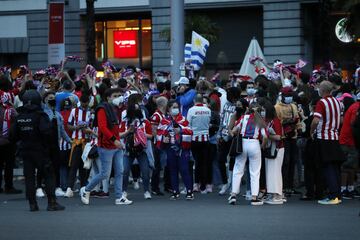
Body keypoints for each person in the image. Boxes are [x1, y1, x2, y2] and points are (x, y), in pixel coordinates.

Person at [10, 90, 65, 211]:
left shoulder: (20, 117)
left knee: (29, 177)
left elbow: (13, 135)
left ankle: (32, 204)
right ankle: (52, 203)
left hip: (25, 150)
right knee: (49, 175)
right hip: (40, 150)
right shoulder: (40, 116)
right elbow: (48, 132)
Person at [80, 88, 132, 205]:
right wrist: (115, 140)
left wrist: (119, 141)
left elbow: (115, 128)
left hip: (116, 146)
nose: (118, 97)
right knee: (105, 173)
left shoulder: (113, 109)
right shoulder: (102, 109)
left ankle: (119, 197)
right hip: (106, 146)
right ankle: (86, 189)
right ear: (108, 97)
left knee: (119, 172)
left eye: (119, 95)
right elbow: (103, 128)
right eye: (115, 95)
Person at [310, 81, 344, 205]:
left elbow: (315, 120)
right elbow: (341, 121)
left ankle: (333, 196)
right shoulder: (338, 102)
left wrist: (311, 131)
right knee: (335, 167)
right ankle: (337, 195)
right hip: (334, 137)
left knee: (327, 167)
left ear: (322, 90)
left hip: (324, 138)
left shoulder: (322, 102)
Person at [228, 103, 268, 206]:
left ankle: (233, 195)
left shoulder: (243, 117)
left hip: (243, 143)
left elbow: (233, 131)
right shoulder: (260, 121)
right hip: (255, 144)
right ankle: (254, 197)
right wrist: (263, 145)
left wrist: (233, 134)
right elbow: (265, 136)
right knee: (255, 171)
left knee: (238, 169)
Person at [157, 100, 194, 200]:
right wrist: (163, 139)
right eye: (173, 107)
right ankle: (175, 191)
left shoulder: (183, 119)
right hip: (170, 148)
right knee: (172, 170)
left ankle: (189, 191)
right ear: (168, 109)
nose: (175, 109)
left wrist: (181, 130)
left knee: (184, 169)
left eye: (177, 107)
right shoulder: (164, 121)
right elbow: (159, 133)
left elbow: (190, 131)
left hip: (182, 148)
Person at [120, 99, 153, 200]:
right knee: (125, 171)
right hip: (128, 150)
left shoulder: (145, 122)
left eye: (138, 110)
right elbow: (119, 135)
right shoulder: (124, 122)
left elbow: (151, 136)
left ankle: (147, 191)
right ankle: (124, 191)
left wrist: (140, 134)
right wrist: (129, 131)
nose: (137, 112)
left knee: (145, 171)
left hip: (141, 150)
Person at [42, 91, 72, 197]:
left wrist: (70, 141)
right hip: (45, 144)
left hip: (56, 144)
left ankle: (57, 187)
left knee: (56, 166)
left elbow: (62, 130)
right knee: (46, 167)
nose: (52, 99)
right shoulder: (43, 113)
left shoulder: (58, 114)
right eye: (50, 97)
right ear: (45, 99)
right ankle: (43, 187)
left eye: (53, 97)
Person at [64, 94, 94, 198]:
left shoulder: (92, 113)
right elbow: (68, 126)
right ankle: (69, 188)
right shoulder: (74, 111)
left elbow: (94, 127)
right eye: (83, 104)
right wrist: (77, 127)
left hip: (87, 143)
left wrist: (89, 130)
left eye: (86, 105)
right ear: (80, 102)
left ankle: (83, 188)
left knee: (85, 166)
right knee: (74, 165)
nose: (84, 106)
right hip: (77, 142)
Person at [275, 87, 302, 196]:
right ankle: (283, 186)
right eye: (287, 96)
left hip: (293, 137)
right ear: (282, 96)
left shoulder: (293, 106)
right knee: (285, 162)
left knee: (292, 162)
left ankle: (290, 186)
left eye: (290, 95)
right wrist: (287, 124)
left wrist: (298, 127)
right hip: (283, 138)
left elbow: (297, 119)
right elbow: (277, 122)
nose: (289, 97)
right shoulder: (277, 107)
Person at [217, 87, 241, 195]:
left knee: (233, 161)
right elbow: (222, 119)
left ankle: (232, 183)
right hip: (223, 135)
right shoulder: (226, 104)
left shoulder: (238, 106)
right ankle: (225, 182)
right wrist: (219, 133)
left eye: (229, 93)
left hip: (233, 136)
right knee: (221, 159)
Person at [187, 94, 211, 193]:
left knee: (196, 162)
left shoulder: (191, 110)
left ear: (194, 100)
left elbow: (188, 124)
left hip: (195, 139)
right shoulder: (208, 110)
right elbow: (208, 123)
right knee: (204, 162)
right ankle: (203, 185)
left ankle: (195, 184)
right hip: (205, 139)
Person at [263, 103, 285, 205]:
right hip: (272, 148)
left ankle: (277, 196)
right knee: (272, 172)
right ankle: (274, 194)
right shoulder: (269, 121)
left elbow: (279, 137)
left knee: (275, 172)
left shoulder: (275, 121)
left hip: (276, 148)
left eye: (264, 110)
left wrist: (267, 135)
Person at [0, 91, 22, 194]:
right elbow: (18, 119)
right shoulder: (10, 111)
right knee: (9, 165)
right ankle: (9, 186)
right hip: (9, 141)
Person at [339, 93, 360, 199]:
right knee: (346, 166)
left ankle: (350, 189)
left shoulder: (354, 106)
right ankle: (344, 189)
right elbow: (354, 125)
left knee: (351, 166)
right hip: (348, 140)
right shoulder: (356, 108)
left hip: (349, 140)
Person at [150, 96, 169, 195]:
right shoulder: (156, 116)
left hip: (163, 143)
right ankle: (154, 187)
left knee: (165, 165)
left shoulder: (163, 115)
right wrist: (160, 139)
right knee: (157, 166)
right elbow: (153, 131)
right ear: (163, 104)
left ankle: (166, 186)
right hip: (158, 144)